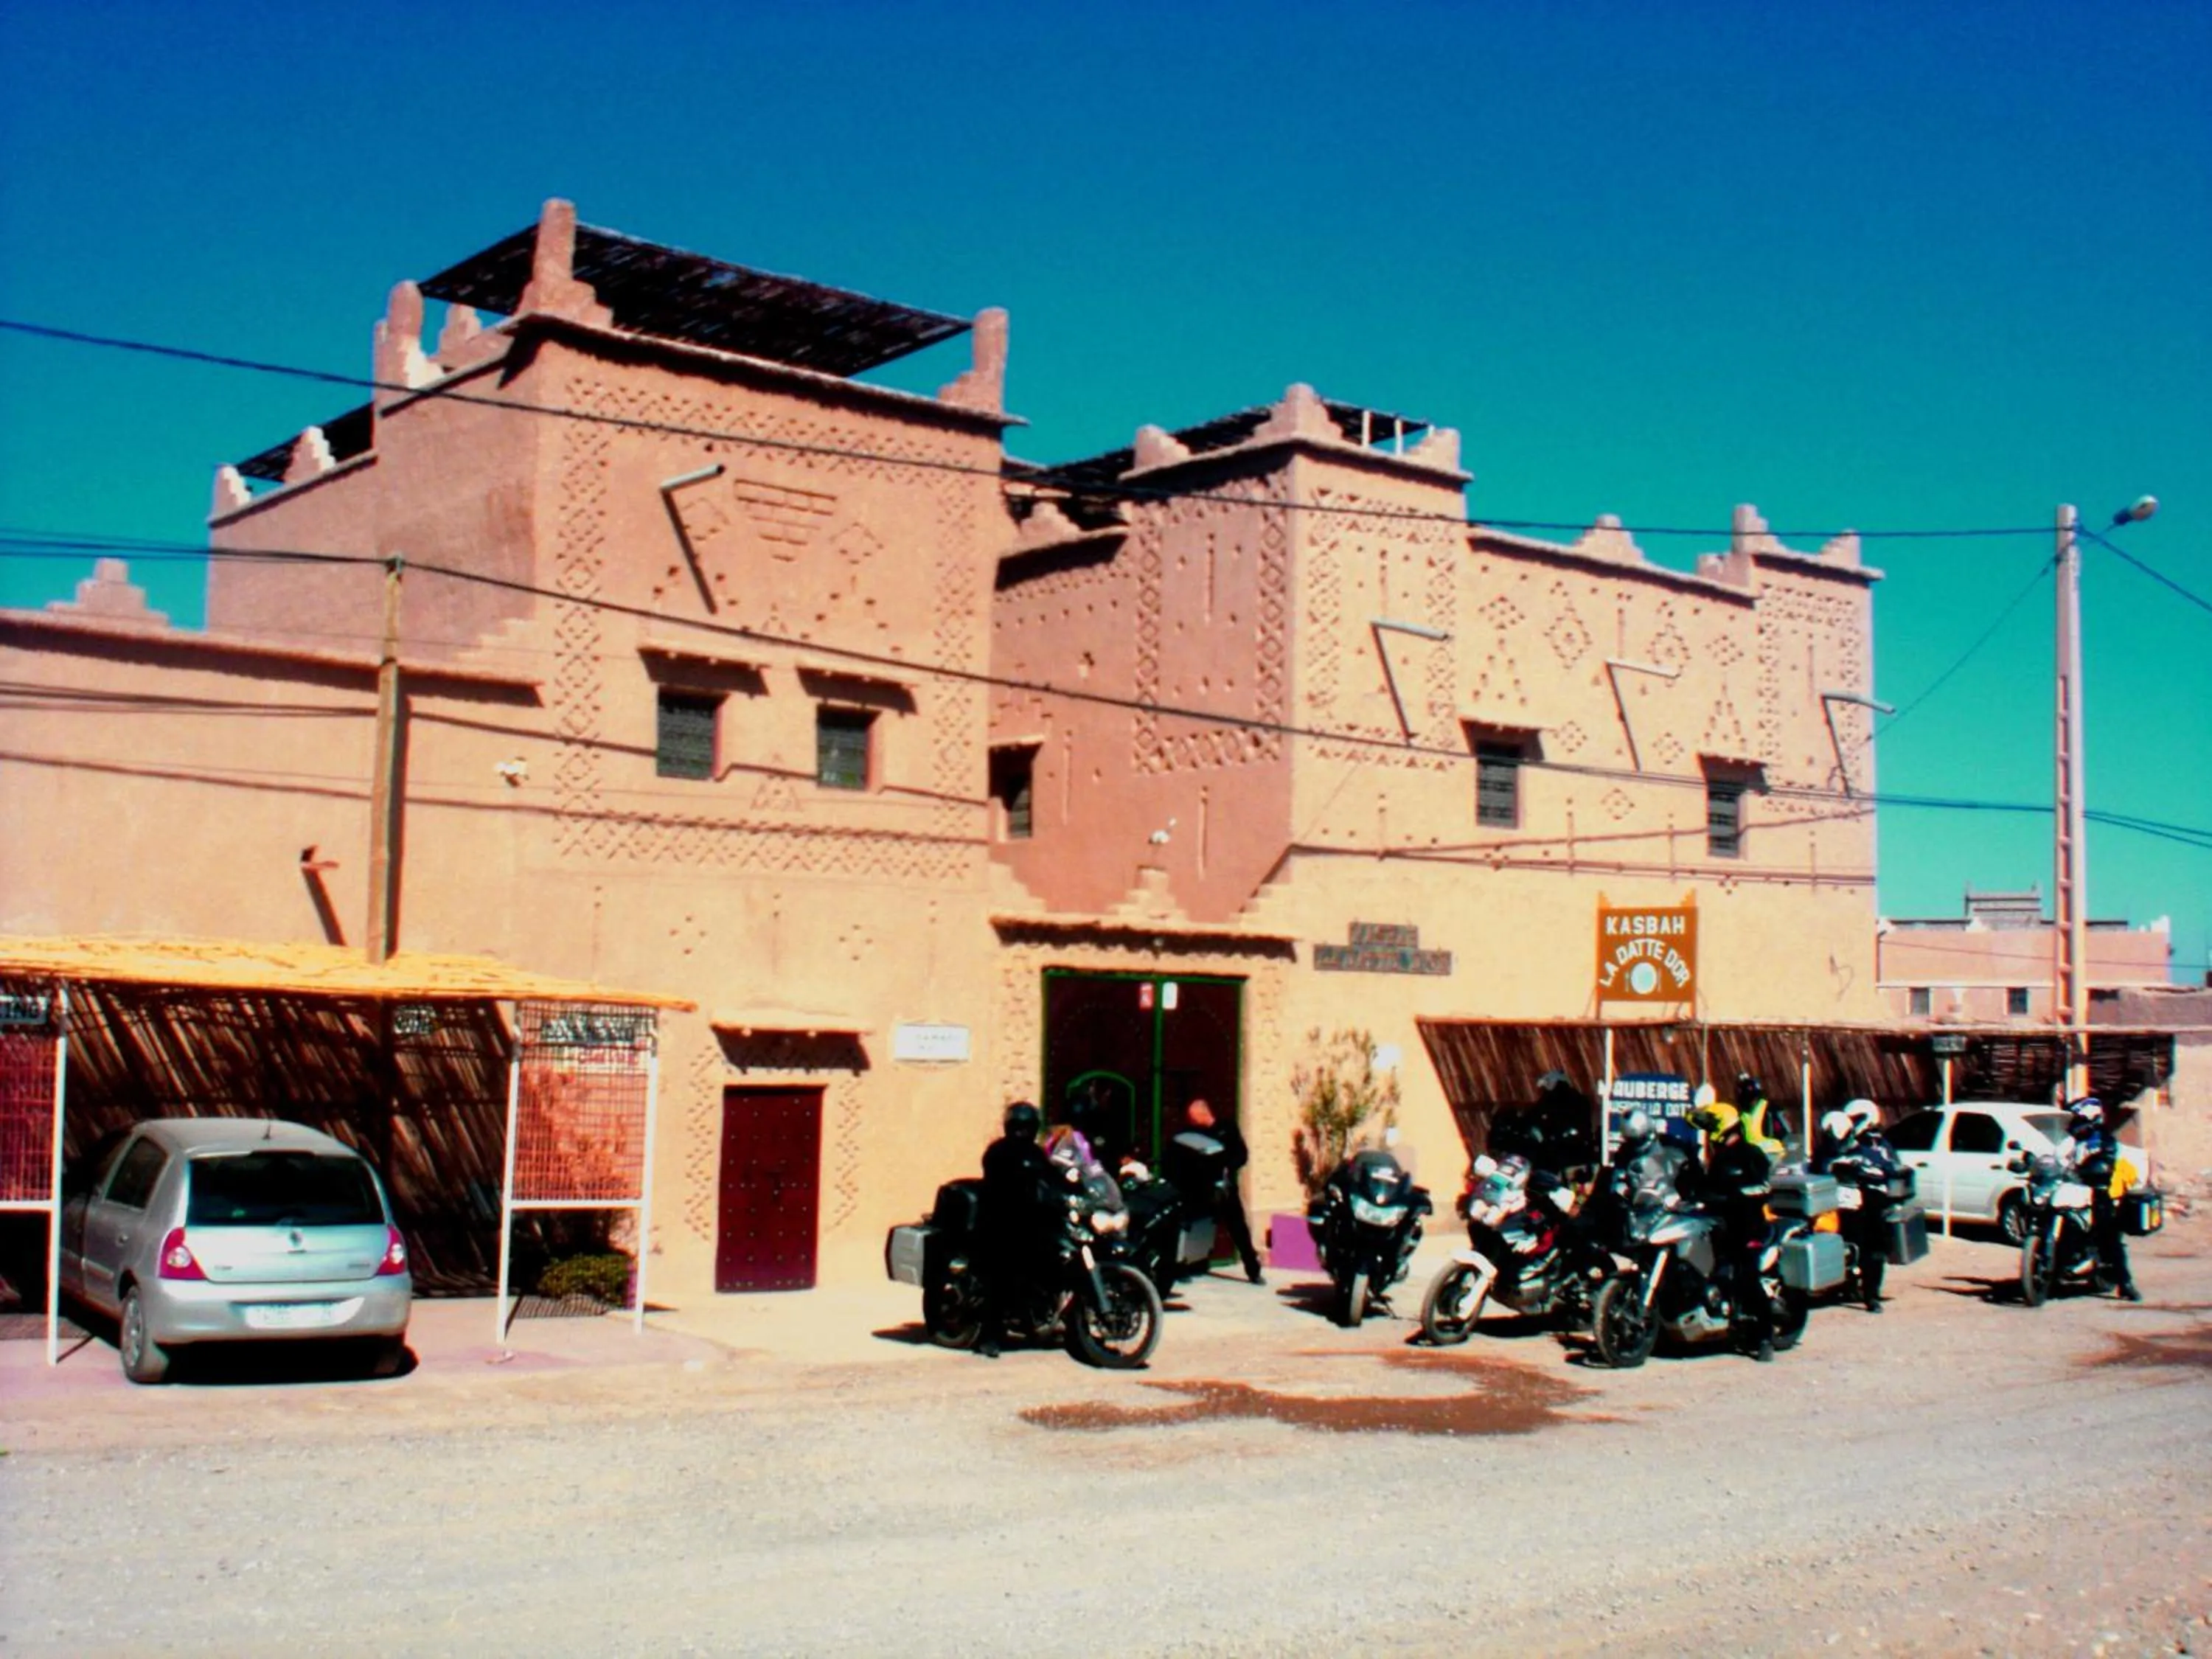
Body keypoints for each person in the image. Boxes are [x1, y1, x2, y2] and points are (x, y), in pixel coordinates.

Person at [1686, 1099, 1779, 1360]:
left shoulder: (1751, 1154)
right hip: (1718, 1226)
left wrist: (1735, 1196)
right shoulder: (1715, 1160)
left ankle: (1764, 1338)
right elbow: (1702, 1187)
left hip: (1748, 1227)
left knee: (1747, 1277)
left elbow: (1763, 1188)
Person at [976, 1100, 1054, 1357]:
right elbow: (1001, 1177)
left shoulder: (1036, 1152)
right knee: (1000, 1279)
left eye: (1027, 1127)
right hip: (1000, 1223)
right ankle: (990, 1337)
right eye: (1019, 1127)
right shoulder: (998, 1151)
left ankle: (1034, 1319)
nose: (1023, 1132)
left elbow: (1052, 1175)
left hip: (1030, 1222)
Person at [2057, 1095, 2140, 1302]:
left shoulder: (2104, 1139)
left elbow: (2108, 1160)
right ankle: (2057, 1269)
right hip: (2075, 1189)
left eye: (2077, 1118)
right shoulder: (2073, 1140)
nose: (2074, 1123)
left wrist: (2096, 1168)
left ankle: (2125, 1283)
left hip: (2100, 1191)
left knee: (2110, 1237)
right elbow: (2057, 1156)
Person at [1818, 1099, 1896, 1312]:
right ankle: (1838, 1281)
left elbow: (1885, 1169)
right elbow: (1815, 1169)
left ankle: (1872, 1295)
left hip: (1863, 1204)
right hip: (1834, 1205)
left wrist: (1861, 1170)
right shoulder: (1826, 1152)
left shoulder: (1869, 1149)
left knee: (1872, 1247)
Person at [1184, 1098, 1264, 1284]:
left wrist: (1228, 1166)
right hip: (1203, 1188)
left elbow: (1242, 1154)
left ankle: (1253, 1270)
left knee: (1238, 1228)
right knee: (1195, 1225)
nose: (1192, 1121)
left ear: (1204, 1113)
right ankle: (1187, 1267)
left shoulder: (1227, 1128)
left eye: (1194, 1117)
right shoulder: (1196, 1134)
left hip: (1225, 1187)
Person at [1735, 1072, 1787, 1163]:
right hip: (1754, 1155)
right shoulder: (1744, 1114)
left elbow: (1783, 1133)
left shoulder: (1770, 1109)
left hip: (1770, 1154)